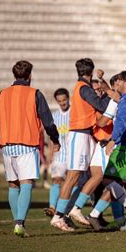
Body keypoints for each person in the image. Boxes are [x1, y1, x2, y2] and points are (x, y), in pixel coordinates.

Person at [0, 60, 60, 237]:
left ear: (14, 75)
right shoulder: (35, 94)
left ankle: (18, 223)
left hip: (7, 146)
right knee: (26, 183)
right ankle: (20, 224)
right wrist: (55, 139)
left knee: (13, 185)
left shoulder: (2, 94)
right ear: (29, 75)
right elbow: (48, 121)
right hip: (27, 144)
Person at [50, 58, 111, 232]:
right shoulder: (83, 88)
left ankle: (74, 209)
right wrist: (111, 94)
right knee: (73, 176)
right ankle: (59, 215)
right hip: (80, 135)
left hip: (86, 136)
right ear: (90, 72)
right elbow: (99, 104)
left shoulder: (81, 87)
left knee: (91, 175)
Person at [86, 71, 126, 231]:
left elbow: (122, 123)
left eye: (120, 81)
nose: (117, 83)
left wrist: (113, 140)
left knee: (109, 180)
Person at [43, 88, 71, 217]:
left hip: (73, 154)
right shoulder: (54, 116)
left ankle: (67, 210)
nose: (62, 103)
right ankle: (52, 207)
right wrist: (50, 153)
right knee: (56, 180)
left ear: (68, 98)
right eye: (59, 101)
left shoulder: (74, 113)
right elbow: (51, 136)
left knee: (73, 183)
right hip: (59, 154)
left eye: (64, 100)